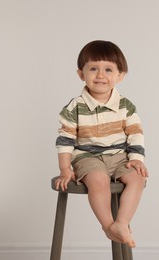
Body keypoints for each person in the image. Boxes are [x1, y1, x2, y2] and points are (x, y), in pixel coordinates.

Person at [55, 40, 148, 248]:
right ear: (81, 74)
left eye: (108, 69)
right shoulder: (75, 107)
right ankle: (108, 226)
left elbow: (135, 133)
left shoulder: (125, 106)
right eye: (93, 69)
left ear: (120, 75)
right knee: (98, 179)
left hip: (119, 156)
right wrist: (65, 168)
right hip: (87, 157)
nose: (100, 75)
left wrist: (136, 159)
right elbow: (65, 139)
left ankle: (121, 223)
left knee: (137, 178)